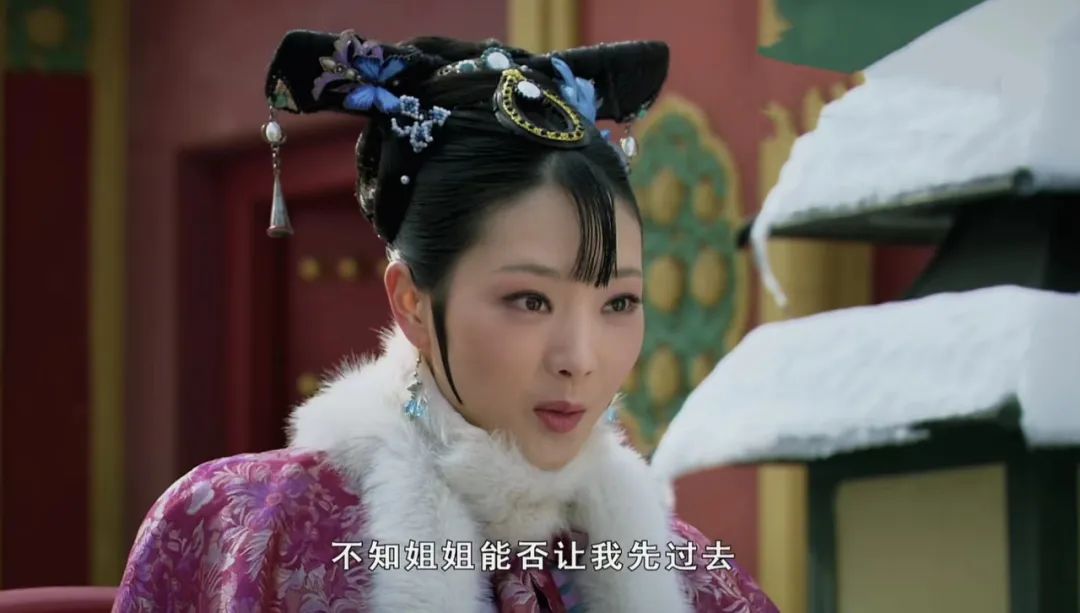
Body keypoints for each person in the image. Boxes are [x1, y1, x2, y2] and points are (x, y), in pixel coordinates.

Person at [114, 29, 778, 613]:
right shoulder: (249, 527)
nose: (580, 358)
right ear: (411, 302)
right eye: (530, 300)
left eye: (619, 304)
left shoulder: (692, 578)